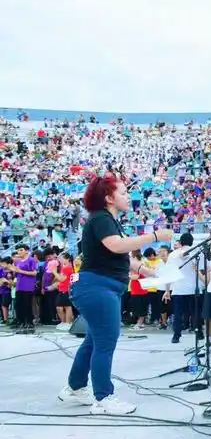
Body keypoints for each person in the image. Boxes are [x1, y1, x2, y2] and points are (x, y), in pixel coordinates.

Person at [58, 173, 172, 415]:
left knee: (94, 340)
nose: (128, 196)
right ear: (109, 198)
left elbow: (121, 255)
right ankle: (104, 397)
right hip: (96, 287)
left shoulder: (108, 221)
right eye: (122, 192)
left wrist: (144, 270)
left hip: (99, 286)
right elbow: (117, 246)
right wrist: (154, 236)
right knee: (106, 340)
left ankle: (75, 387)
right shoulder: (101, 219)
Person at [11, 244, 37, 333]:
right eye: (18, 250)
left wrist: (20, 271)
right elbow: (17, 274)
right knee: (18, 305)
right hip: (19, 286)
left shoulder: (31, 260)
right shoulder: (18, 261)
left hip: (28, 286)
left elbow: (34, 273)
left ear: (26, 250)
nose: (19, 252)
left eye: (21, 250)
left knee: (27, 305)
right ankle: (20, 321)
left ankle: (29, 322)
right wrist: (14, 271)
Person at [52, 252, 75, 332]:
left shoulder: (67, 268)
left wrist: (54, 272)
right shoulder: (64, 267)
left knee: (67, 307)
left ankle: (68, 323)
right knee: (59, 307)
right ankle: (63, 322)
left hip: (66, 290)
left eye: (61, 258)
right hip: (62, 289)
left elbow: (62, 279)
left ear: (67, 259)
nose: (60, 260)